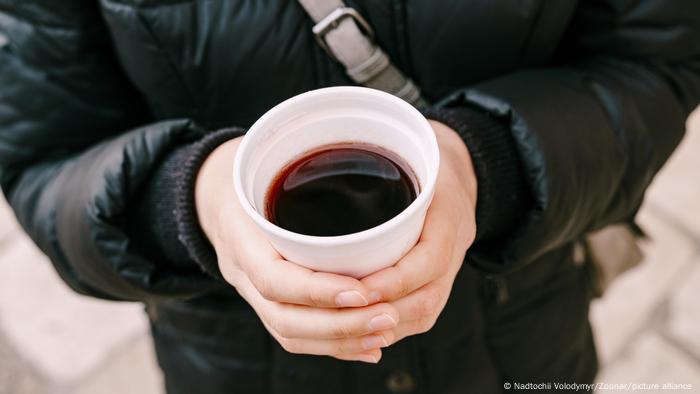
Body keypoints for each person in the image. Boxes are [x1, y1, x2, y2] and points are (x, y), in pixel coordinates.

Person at [1, 1, 699, 393]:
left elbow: (655, 65)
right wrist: (196, 203)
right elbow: (45, 161)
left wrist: (489, 164)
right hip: (242, 369)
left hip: (525, 342)